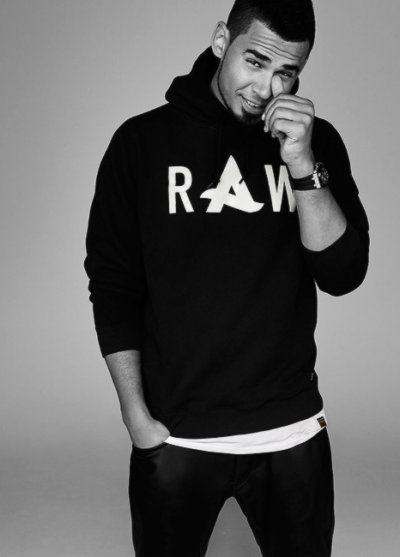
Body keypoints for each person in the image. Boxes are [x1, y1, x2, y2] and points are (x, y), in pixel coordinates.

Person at [83, 0, 370, 555]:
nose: (266, 88)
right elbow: (114, 286)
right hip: (178, 435)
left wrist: (302, 166)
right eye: (255, 61)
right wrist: (135, 416)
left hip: (292, 433)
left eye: (287, 72)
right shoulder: (140, 144)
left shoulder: (315, 144)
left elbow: (344, 274)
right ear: (221, 41)